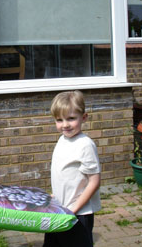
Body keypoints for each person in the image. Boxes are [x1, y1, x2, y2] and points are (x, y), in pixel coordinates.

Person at [43, 90, 101, 247]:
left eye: (71, 118)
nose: (65, 125)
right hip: (59, 210)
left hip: (78, 215)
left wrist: (73, 210)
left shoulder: (85, 145)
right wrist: (56, 196)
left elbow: (94, 182)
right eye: (59, 120)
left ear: (84, 117)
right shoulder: (62, 140)